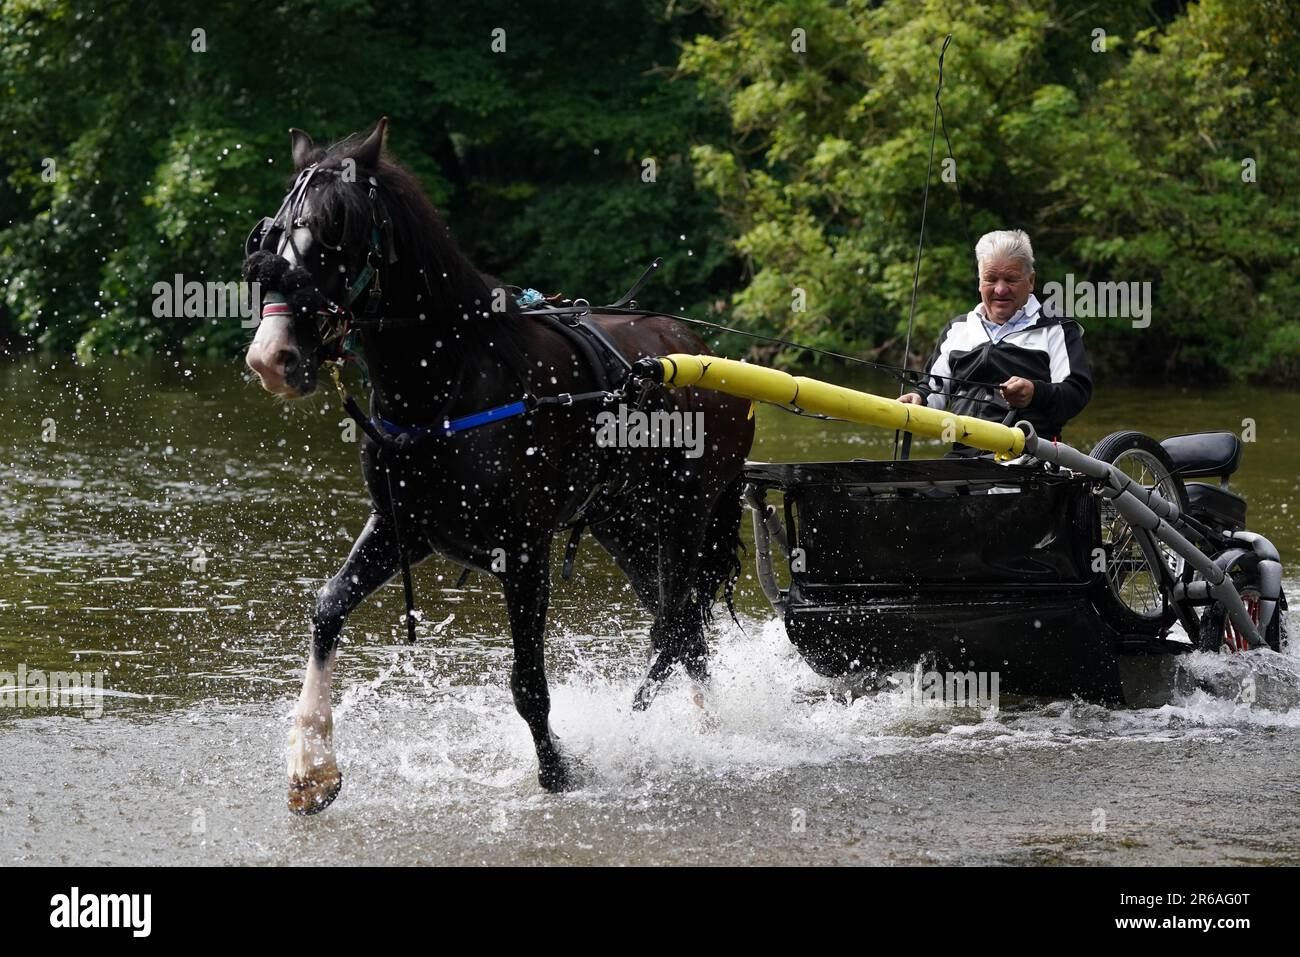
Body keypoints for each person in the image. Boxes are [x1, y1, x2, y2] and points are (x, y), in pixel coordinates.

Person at [899, 229, 1092, 454]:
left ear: (1030, 281)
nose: (1000, 289)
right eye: (991, 279)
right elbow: (934, 390)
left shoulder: (1057, 328)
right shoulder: (957, 329)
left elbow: (1076, 393)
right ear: (980, 282)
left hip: (1030, 460)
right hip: (962, 457)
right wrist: (919, 400)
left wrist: (1035, 392)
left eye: (1011, 279)